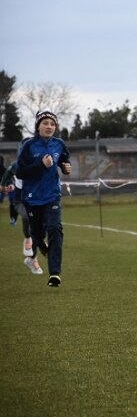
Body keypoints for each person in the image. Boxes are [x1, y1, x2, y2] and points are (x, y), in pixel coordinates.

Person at [15, 110, 71, 287]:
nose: (49, 126)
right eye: (45, 123)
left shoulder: (59, 144)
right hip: (32, 198)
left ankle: (55, 274)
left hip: (52, 195)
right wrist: (41, 165)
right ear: (38, 126)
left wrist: (65, 167)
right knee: (37, 235)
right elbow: (20, 172)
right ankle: (40, 245)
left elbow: (64, 160)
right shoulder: (29, 146)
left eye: (52, 124)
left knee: (55, 229)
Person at [1, 159, 42, 274]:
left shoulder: (42, 162)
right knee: (27, 216)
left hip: (37, 199)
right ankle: (27, 238)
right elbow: (7, 175)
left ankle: (32, 259)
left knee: (39, 231)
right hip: (20, 200)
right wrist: (5, 186)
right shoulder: (17, 164)